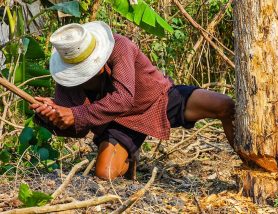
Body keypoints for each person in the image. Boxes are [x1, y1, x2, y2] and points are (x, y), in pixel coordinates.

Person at [30, 21, 235, 180]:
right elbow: (79, 130)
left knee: (226, 106)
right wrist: (51, 117)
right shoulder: (65, 76)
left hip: (157, 99)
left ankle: (252, 160)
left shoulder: (120, 46)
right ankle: (128, 157)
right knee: (105, 173)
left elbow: (123, 99)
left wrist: (75, 114)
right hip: (117, 122)